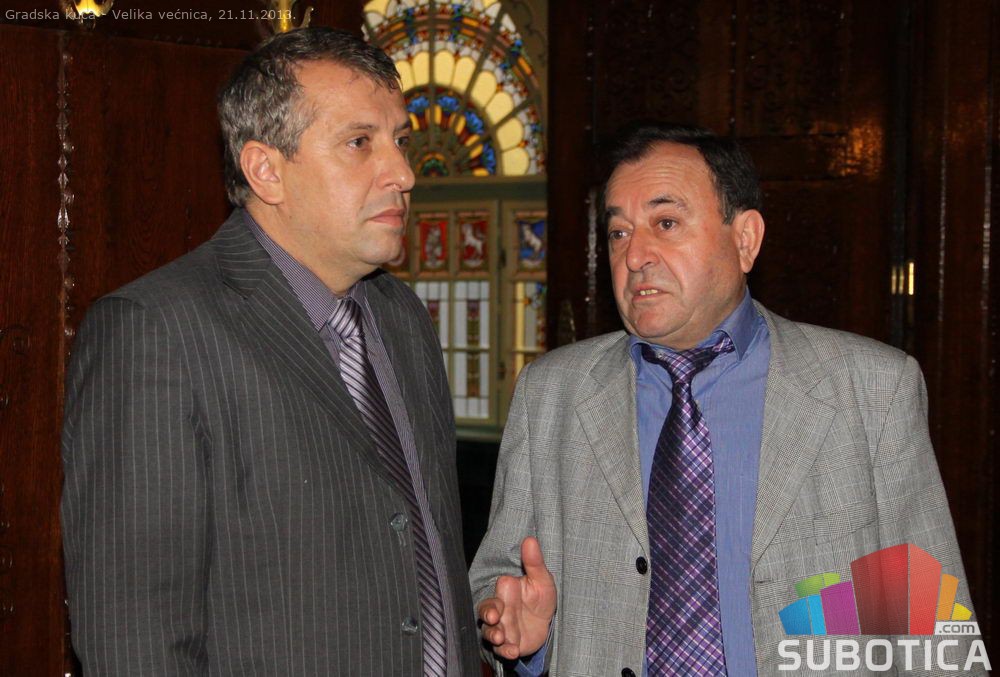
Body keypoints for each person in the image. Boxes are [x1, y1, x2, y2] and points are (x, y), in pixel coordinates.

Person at [469, 123, 985, 675]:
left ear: (745, 240)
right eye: (619, 232)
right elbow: (496, 578)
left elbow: (933, 631)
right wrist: (519, 634)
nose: (635, 255)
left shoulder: (871, 388)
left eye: (666, 223)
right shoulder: (551, 393)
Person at [61, 27, 479, 675]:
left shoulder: (402, 318)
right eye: (359, 143)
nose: (402, 173)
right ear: (266, 170)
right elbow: (134, 637)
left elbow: (422, 555)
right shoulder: (156, 331)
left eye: (399, 141)